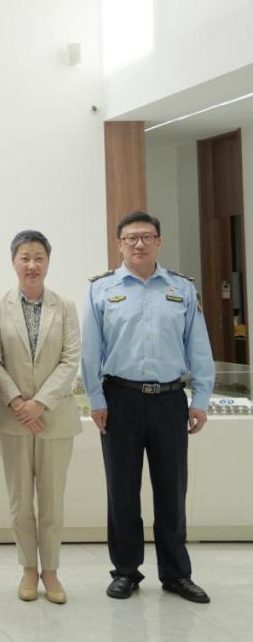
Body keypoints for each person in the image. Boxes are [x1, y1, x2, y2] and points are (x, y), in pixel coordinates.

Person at [81, 210, 214, 604]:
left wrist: (201, 400)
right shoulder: (101, 289)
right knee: (122, 491)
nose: (139, 244)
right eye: (131, 238)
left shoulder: (182, 288)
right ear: (119, 244)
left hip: (170, 401)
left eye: (147, 237)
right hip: (119, 400)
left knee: (172, 491)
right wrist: (96, 399)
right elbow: (90, 351)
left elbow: (199, 347)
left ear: (159, 242)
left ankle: (176, 574)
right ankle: (125, 571)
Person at [0, 230, 82, 604]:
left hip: (54, 418)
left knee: (52, 500)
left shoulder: (65, 306)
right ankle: (28, 568)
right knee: (20, 500)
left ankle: (52, 572)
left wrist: (39, 403)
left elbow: (70, 360)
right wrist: (17, 402)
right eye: (25, 257)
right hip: (12, 419)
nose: (32, 265)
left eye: (39, 258)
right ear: (13, 262)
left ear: (48, 262)